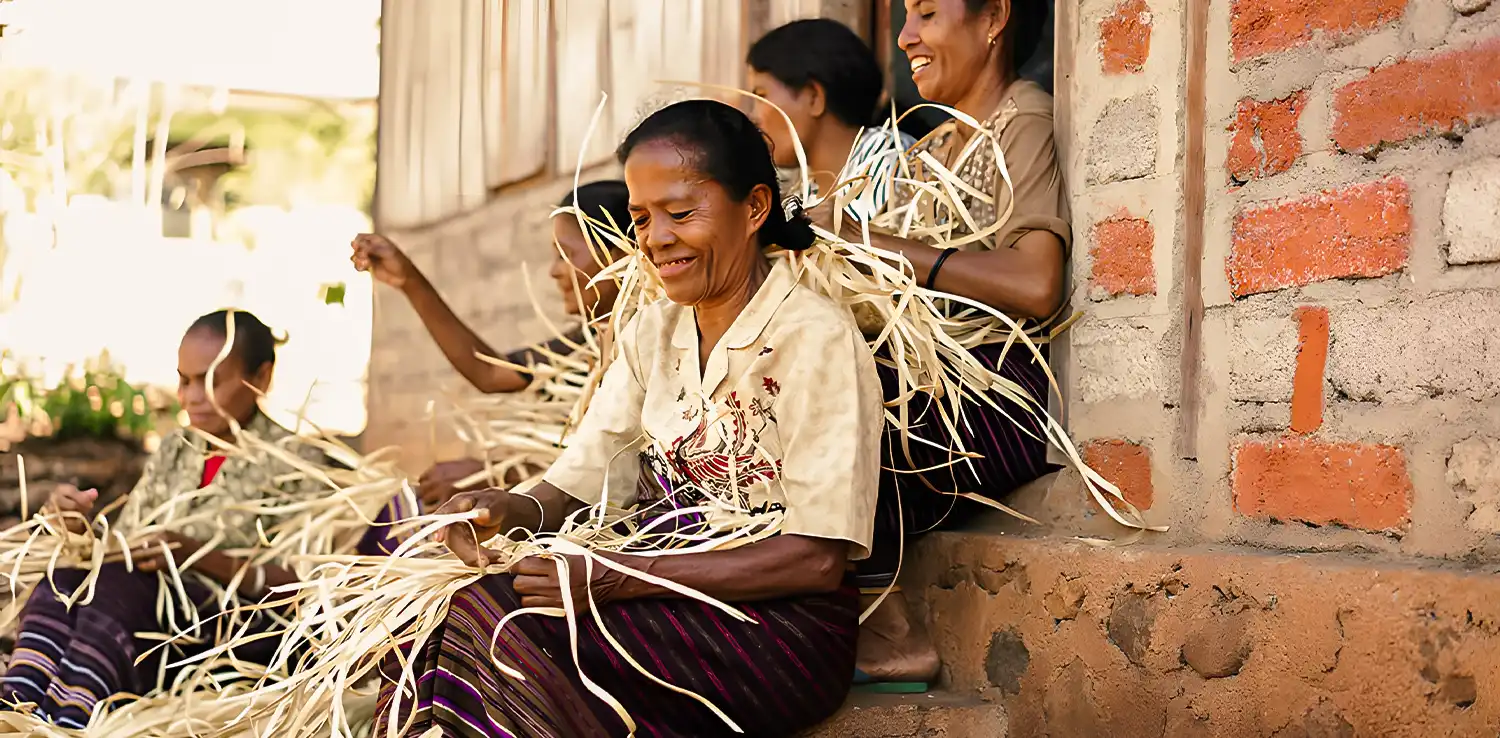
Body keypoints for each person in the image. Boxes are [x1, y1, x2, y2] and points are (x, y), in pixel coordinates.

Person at [372, 99, 883, 738]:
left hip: (775, 627)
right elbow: (578, 479)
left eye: (681, 213)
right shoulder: (654, 330)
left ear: (754, 208)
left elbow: (813, 561)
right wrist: (505, 509)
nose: (656, 238)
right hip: (658, 585)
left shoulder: (817, 338)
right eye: (642, 218)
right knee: (427, 621)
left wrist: (620, 580)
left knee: (501, 624)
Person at [812, 0, 1063, 691]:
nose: (905, 37)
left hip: (987, 403)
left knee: (853, 398)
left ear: (994, 19)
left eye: (927, 12)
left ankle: (892, 630)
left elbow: (1038, 280)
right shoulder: (930, 151)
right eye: (902, 15)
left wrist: (882, 247)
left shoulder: (1022, 120)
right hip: (934, 389)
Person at [0, 310, 397, 728]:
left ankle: (71, 716)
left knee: (118, 592)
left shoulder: (299, 462)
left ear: (260, 378)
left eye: (211, 380)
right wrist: (79, 530)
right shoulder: (176, 449)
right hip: (143, 604)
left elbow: (305, 586)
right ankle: (20, 708)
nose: (192, 396)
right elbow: (126, 545)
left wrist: (196, 555)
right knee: (63, 582)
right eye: (185, 380)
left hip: (231, 627)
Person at [350, 182, 634, 508]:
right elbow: (490, 372)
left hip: (609, 525)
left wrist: (497, 474)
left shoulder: (647, 343)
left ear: (621, 255)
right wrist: (409, 281)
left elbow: (621, 471)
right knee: (400, 510)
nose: (555, 271)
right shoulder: (588, 341)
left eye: (565, 255)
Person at [747, 18, 916, 222]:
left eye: (761, 96)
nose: (754, 117)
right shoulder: (804, 194)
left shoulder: (889, 156)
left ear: (814, 97)